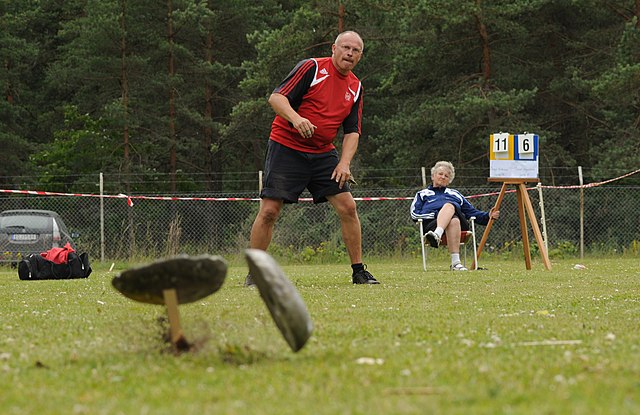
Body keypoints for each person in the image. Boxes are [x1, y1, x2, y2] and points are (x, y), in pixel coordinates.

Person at [245, 30, 380, 286]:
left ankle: (359, 272)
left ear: (360, 56)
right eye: (345, 47)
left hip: (322, 153)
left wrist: (344, 163)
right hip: (286, 147)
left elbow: (353, 131)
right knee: (270, 211)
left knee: (348, 207)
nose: (349, 53)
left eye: (355, 50)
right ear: (334, 48)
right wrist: (296, 119)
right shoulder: (312, 68)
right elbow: (276, 98)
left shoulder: (356, 87)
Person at [410, 161, 500, 271]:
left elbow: (472, 212)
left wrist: (488, 215)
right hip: (432, 226)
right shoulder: (422, 194)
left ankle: (437, 235)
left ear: (449, 181)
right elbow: (415, 214)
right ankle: (456, 263)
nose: (443, 177)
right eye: (440, 174)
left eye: (446, 176)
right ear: (433, 176)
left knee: (450, 207)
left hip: (457, 226)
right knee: (453, 220)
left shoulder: (455, 194)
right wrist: (437, 214)